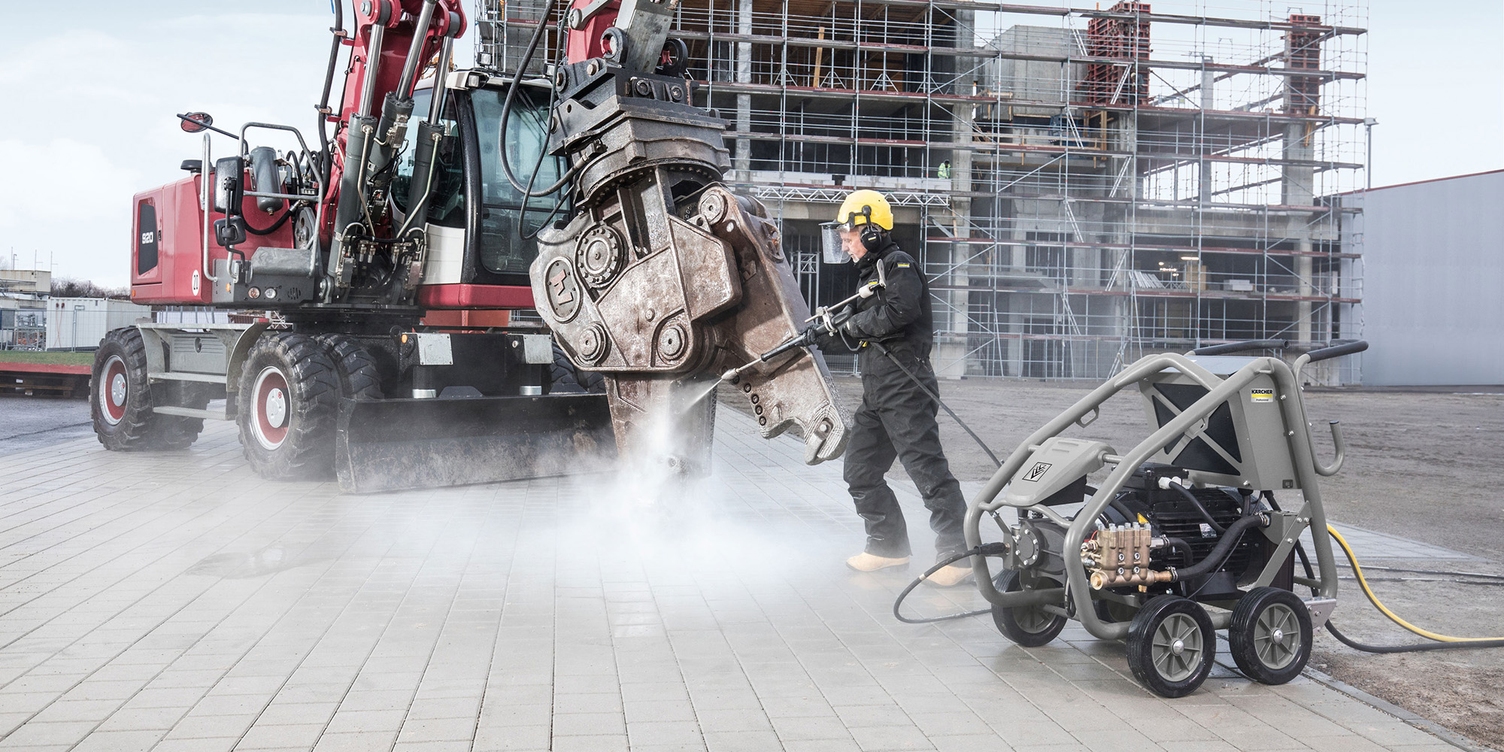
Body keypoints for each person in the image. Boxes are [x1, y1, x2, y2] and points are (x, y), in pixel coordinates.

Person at [819, 189, 972, 587]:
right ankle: (888, 547)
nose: (844, 243)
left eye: (848, 236)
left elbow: (902, 311)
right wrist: (822, 332)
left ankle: (958, 553)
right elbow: (857, 328)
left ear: (870, 231)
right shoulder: (870, 277)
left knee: (926, 469)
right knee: (860, 470)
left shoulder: (898, 264)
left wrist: (853, 325)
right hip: (877, 391)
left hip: (905, 386)